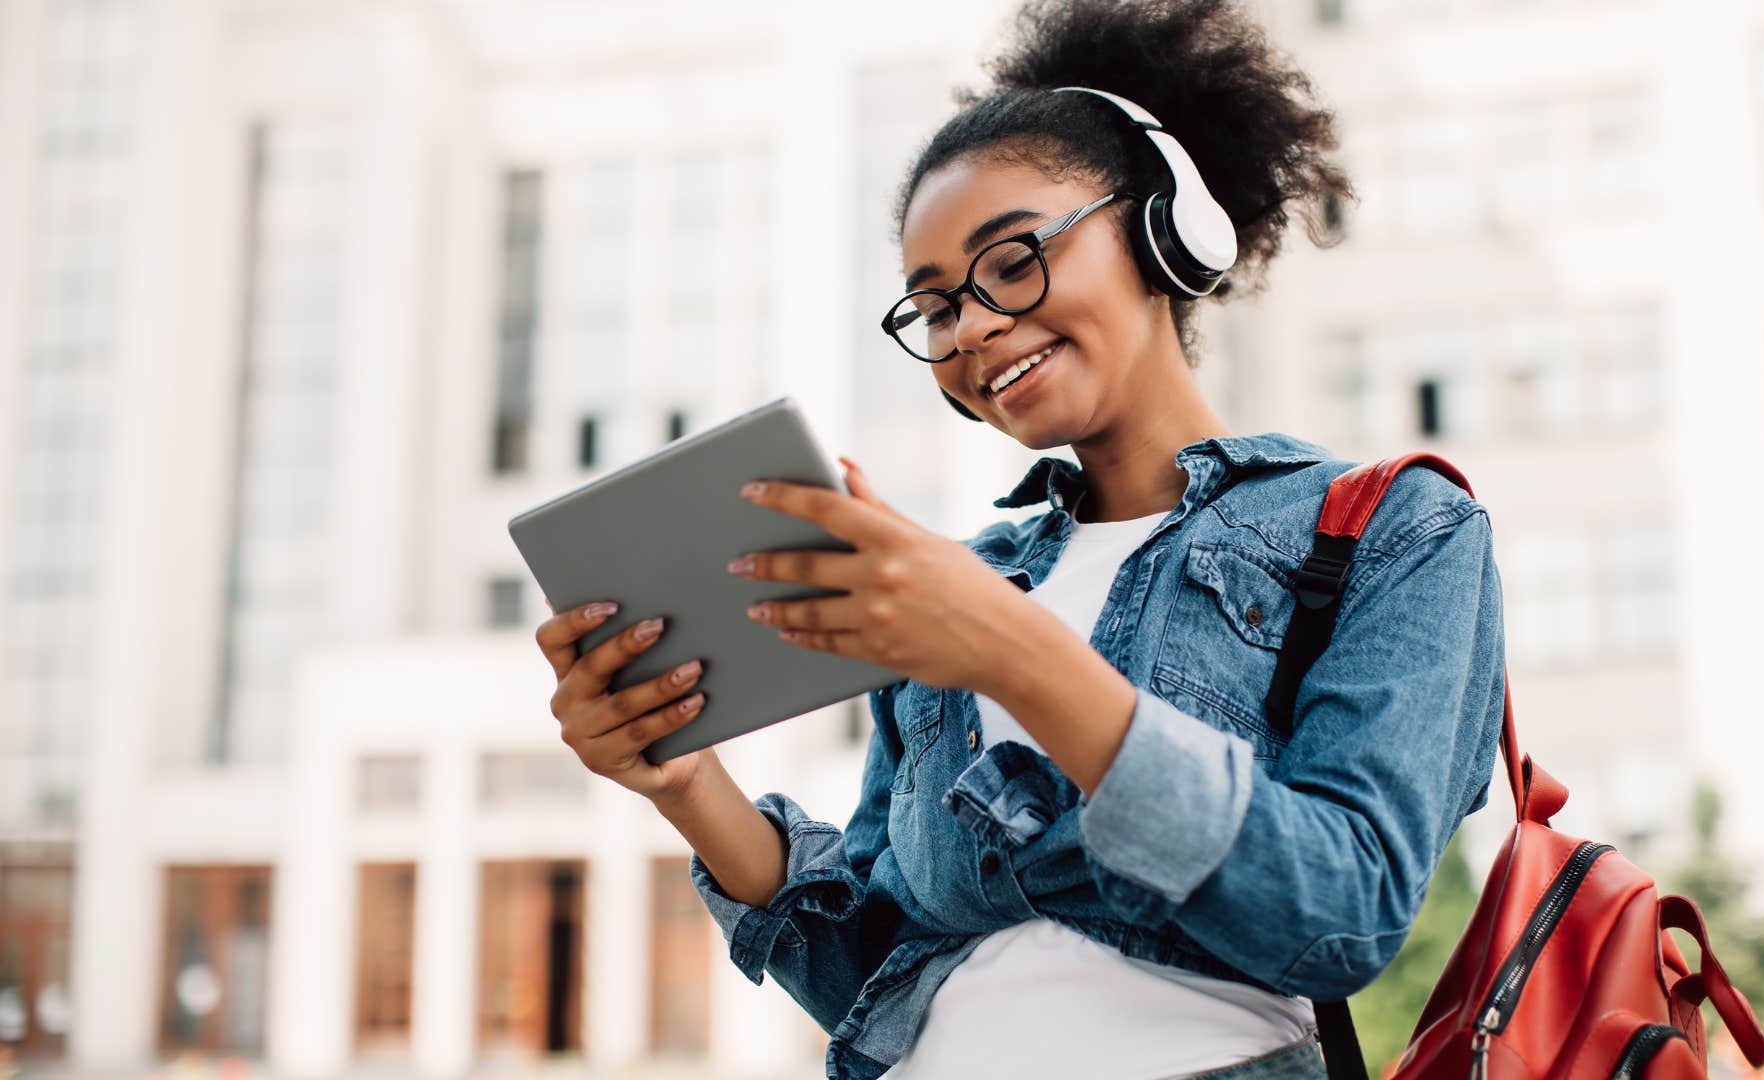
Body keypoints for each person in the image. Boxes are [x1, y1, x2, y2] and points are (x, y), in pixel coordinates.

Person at [534, 1, 1507, 1077]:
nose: (978, 327)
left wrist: (1014, 650)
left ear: (1160, 230)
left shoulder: (1394, 530)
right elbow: (880, 972)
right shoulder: (961, 586)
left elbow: (1341, 914)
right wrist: (685, 785)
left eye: (1012, 261)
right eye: (937, 308)